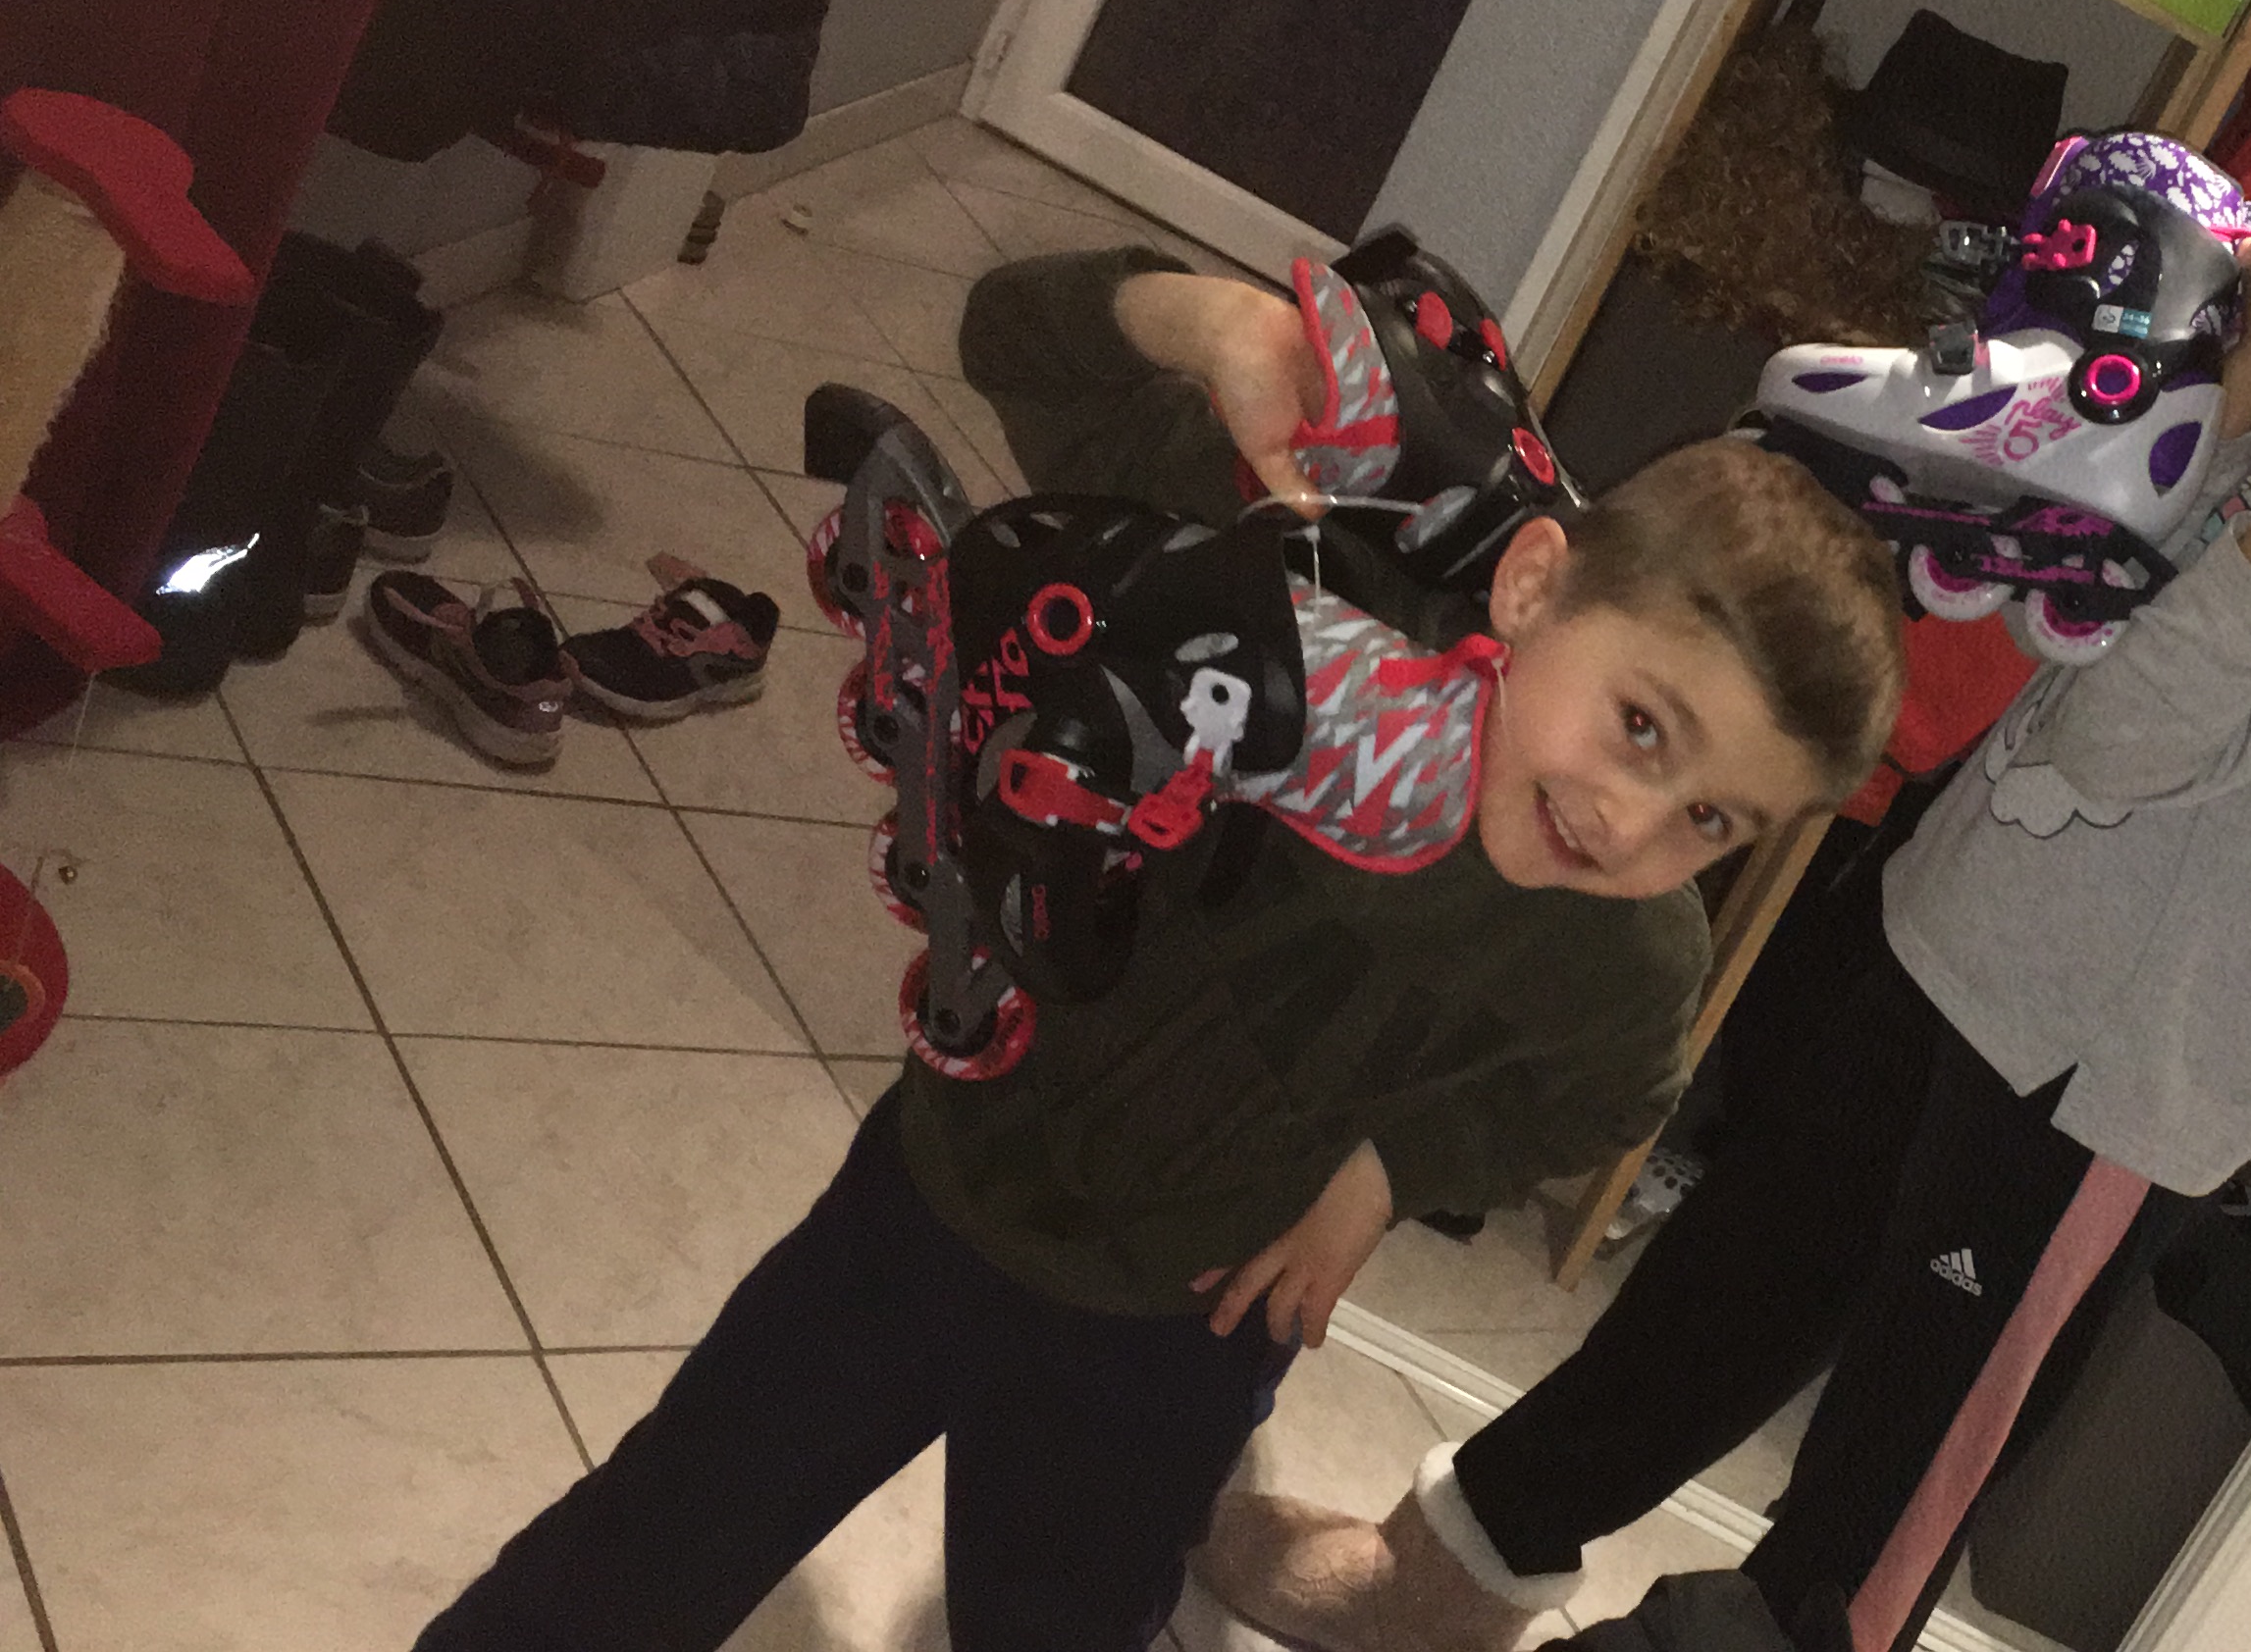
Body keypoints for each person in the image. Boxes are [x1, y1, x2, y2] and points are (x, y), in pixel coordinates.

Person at [1197, 0, 2251, 1652]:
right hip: (1954, 920)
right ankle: (1440, 1581)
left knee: (1869, 1520)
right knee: (1717, 1298)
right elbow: (2054, 586)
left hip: (2107, 1082)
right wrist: (2230, 391)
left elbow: (2123, 744)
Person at [408, 251, 1908, 1652]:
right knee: (661, 1528)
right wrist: (1214, 324)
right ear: (1530, 589)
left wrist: (1388, 1172)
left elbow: (1608, 1095)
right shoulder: (1293, 595)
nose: (1634, 820)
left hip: (1174, 1336)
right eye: (1641, 725)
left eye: (1714, 818)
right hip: (930, 1195)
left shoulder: (1627, 950)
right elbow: (1014, 340)